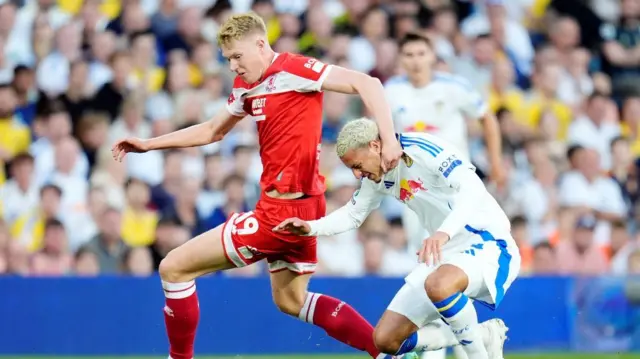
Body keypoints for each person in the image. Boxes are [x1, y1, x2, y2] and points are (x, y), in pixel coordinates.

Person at [112, 12, 406, 359]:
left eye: (237, 56)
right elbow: (211, 131)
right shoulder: (246, 87)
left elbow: (368, 83)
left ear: (260, 44)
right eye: (227, 60)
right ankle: (388, 353)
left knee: (172, 267)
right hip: (302, 207)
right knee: (290, 300)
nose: (233, 66)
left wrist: (388, 139)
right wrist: (149, 143)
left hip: (281, 213)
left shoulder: (296, 70)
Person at [274, 118, 520, 359]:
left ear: (374, 146)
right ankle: (484, 334)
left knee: (438, 285)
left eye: (358, 165)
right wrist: (310, 227)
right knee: (386, 340)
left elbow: (473, 189)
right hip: (445, 253)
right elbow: (353, 214)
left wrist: (443, 232)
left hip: (487, 241)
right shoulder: (377, 175)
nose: (358, 175)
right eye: (352, 169)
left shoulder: (422, 149)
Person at [384, 34, 504, 308]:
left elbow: (487, 117)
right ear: (401, 60)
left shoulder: (454, 87)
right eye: (409, 55)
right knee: (425, 257)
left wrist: (496, 162)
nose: (415, 61)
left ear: (432, 57)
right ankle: (445, 332)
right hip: (414, 189)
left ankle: (457, 337)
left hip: (454, 185)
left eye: (421, 54)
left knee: (457, 254)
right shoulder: (391, 91)